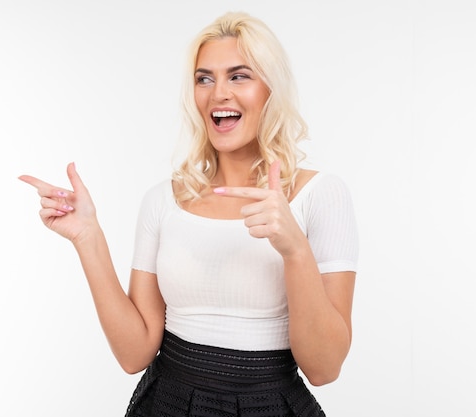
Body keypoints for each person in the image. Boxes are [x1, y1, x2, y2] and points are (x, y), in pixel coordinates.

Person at [19, 11, 358, 417]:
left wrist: (295, 250)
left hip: (270, 404)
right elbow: (133, 354)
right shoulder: (162, 200)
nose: (219, 94)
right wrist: (87, 237)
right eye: (204, 78)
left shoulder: (321, 195)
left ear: (272, 88)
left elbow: (324, 368)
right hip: (166, 403)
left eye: (239, 76)